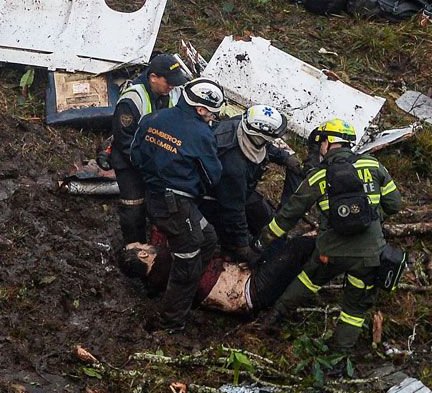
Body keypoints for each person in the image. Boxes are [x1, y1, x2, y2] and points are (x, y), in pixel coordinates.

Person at [258, 118, 402, 353]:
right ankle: (340, 356)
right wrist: (374, 217)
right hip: (369, 256)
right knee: (355, 310)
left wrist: (263, 240)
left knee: (307, 280)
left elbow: (288, 215)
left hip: (330, 253)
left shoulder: (318, 177)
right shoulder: (374, 167)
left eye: (321, 143)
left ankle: (272, 318)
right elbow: (394, 204)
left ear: (329, 143)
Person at [130, 77, 225, 332]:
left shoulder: (152, 119)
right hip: (176, 206)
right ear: (201, 109)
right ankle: (169, 321)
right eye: (212, 113)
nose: (212, 119)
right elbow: (212, 176)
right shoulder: (202, 134)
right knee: (188, 261)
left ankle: (170, 289)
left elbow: (135, 155)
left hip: (158, 197)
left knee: (208, 238)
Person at [200, 105, 302, 266]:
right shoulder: (234, 166)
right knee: (227, 241)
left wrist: (283, 157)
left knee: (267, 222)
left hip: (240, 191)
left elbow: (264, 145)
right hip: (213, 200)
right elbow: (234, 209)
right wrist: (242, 245)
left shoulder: (243, 127)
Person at [118, 235, 316, 316]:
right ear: (143, 255)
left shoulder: (158, 277)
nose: (145, 244)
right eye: (140, 246)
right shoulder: (171, 259)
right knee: (300, 245)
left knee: (280, 246)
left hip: (248, 291)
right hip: (252, 288)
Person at [110, 54, 190, 245]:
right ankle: (134, 249)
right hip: (130, 161)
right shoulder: (132, 99)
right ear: (153, 77)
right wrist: (150, 164)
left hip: (159, 161)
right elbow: (125, 141)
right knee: (134, 207)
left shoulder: (173, 93)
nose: (172, 86)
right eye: (168, 82)